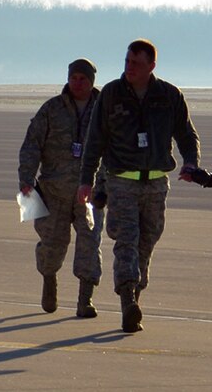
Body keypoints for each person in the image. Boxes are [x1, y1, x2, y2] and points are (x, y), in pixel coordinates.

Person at [80, 39, 202, 334]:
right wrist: (87, 180)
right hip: (121, 182)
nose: (129, 67)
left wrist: (191, 164)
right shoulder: (111, 94)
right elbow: (94, 140)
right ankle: (127, 301)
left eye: (136, 63)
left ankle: (135, 293)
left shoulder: (169, 96)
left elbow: (187, 135)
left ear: (151, 66)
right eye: (127, 61)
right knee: (127, 242)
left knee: (147, 241)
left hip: (156, 184)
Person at [20, 59, 107, 319]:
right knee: (51, 243)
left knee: (90, 243)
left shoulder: (104, 110)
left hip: (89, 192)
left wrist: (106, 185)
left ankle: (85, 299)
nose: (78, 83)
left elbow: (115, 149)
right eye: (74, 78)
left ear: (92, 81)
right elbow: (31, 144)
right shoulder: (51, 109)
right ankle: (49, 280)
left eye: (83, 78)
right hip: (53, 190)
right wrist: (25, 178)